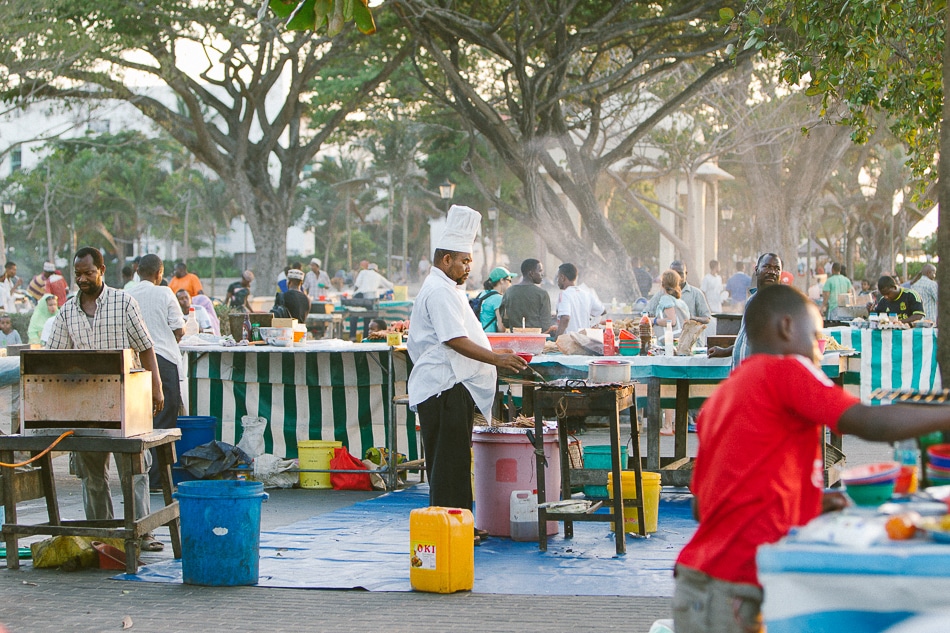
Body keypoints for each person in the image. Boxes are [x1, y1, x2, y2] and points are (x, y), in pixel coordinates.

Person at [672, 283, 950, 633]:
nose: (819, 351)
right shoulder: (788, 370)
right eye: (817, 337)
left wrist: (808, 503)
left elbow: (705, 504)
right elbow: (867, 421)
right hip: (734, 588)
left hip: (699, 582)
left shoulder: (722, 398)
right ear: (787, 328)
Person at [407, 205, 526, 535]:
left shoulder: (449, 289)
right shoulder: (439, 291)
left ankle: (458, 525)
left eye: (470, 262)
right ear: (446, 260)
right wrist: (496, 359)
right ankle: (450, 529)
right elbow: (454, 339)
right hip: (443, 386)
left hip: (451, 386)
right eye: (464, 261)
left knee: (456, 460)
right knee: (448, 463)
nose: (468, 268)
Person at [45, 246, 165, 552]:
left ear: (102, 271)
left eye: (88, 273)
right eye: (78, 274)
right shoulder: (68, 311)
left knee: (134, 470)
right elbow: (53, 358)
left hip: (128, 401)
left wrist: (157, 387)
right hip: (87, 406)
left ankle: (143, 532)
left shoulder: (124, 302)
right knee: (92, 474)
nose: (82, 279)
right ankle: (102, 533)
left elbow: (146, 346)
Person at [127, 254, 185, 490]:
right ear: (159, 273)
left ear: (138, 271)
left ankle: (139, 474)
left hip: (135, 363)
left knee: (140, 420)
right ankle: (158, 479)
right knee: (164, 420)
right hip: (163, 360)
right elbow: (178, 329)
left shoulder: (127, 294)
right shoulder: (165, 292)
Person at [709, 253, 782, 370]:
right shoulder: (752, 300)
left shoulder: (780, 304)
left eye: (777, 269)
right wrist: (725, 351)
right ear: (757, 270)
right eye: (767, 267)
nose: (772, 272)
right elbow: (746, 340)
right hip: (743, 376)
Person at [645, 260, 710, 326]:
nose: (677, 276)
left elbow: (707, 318)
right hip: (668, 334)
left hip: (691, 335)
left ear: (686, 274)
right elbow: (646, 313)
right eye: (674, 273)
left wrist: (692, 318)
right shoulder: (662, 294)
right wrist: (656, 319)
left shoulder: (696, 293)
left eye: (680, 273)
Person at [499, 258, 554, 334]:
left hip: (515, 339)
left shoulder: (509, 292)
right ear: (531, 273)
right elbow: (546, 324)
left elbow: (505, 320)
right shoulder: (542, 294)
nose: (542, 274)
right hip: (535, 340)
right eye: (540, 271)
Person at [554, 263, 605, 338]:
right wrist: (592, 324)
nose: (557, 281)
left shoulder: (564, 294)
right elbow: (602, 311)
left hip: (570, 341)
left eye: (558, 278)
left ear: (562, 277)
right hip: (585, 341)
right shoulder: (586, 294)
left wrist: (556, 339)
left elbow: (565, 318)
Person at [652, 270, 691, 341]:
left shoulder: (666, 299)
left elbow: (671, 321)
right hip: (682, 340)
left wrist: (654, 321)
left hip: (670, 342)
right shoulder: (680, 302)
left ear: (662, 284)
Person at [476, 266, 516, 332]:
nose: (510, 284)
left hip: (479, 336)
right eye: (509, 280)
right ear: (502, 280)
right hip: (490, 338)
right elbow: (501, 329)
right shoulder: (498, 299)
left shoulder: (482, 294)